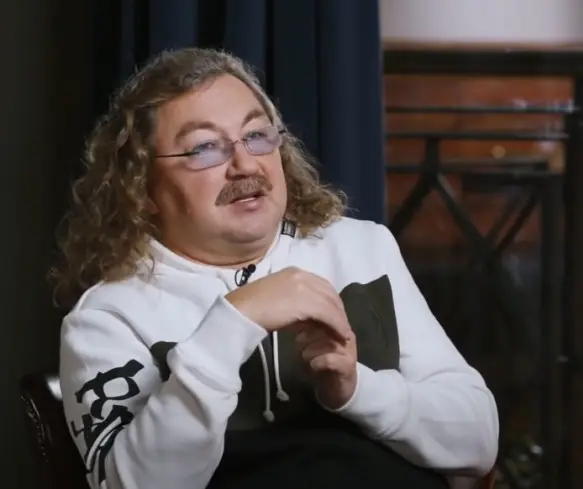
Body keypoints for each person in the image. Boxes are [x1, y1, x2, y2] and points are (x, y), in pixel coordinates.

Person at [51, 47, 499, 489]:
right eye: (204, 148)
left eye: (257, 135)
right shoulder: (108, 317)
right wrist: (232, 324)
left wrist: (357, 390)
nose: (245, 164)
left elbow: (477, 440)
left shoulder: (360, 247)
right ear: (142, 187)